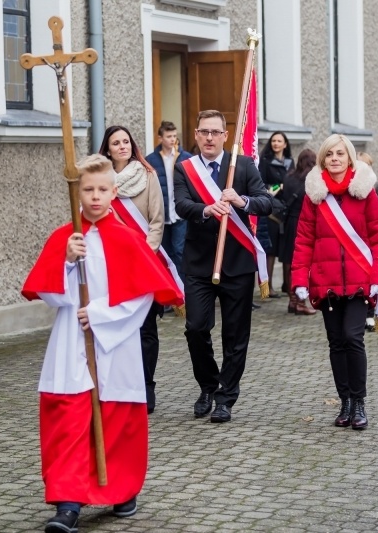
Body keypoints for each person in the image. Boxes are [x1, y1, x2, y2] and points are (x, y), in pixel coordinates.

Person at [21, 154, 182, 532]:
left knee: (116, 418)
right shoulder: (65, 239)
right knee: (69, 415)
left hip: (115, 343)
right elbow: (50, 294)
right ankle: (68, 502)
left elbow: (142, 297)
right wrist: (65, 262)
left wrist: (100, 316)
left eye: (101, 190)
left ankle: (121, 488)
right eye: (87, 190)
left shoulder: (128, 238)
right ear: (77, 193)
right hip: (71, 342)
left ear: (114, 192)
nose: (94, 197)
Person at [173, 109, 272, 423]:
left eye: (216, 132)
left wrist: (242, 201)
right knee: (196, 327)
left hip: (237, 263)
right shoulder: (184, 168)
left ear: (226, 136)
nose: (209, 138)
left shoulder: (241, 166)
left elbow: (266, 201)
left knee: (235, 335)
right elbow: (180, 204)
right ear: (196, 133)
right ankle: (208, 384)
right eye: (204, 132)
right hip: (199, 263)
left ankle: (226, 397)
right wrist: (206, 209)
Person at [291, 134, 378, 430]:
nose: (335, 158)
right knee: (336, 343)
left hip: (360, 281)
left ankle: (359, 401)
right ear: (323, 160)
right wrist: (299, 279)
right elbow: (303, 240)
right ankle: (345, 402)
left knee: (353, 338)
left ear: (350, 158)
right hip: (327, 282)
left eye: (340, 154)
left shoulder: (365, 192)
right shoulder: (315, 195)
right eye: (330, 154)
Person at [99, 125, 167, 414]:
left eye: (126, 141)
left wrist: (143, 253)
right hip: (111, 264)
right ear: (108, 149)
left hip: (142, 262)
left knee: (146, 328)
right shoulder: (101, 180)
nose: (123, 146)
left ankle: (146, 385)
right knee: (116, 327)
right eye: (116, 142)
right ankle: (118, 386)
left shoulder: (147, 175)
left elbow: (157, 220)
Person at [145, 121, 193, 276]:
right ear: (160, 138)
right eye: (168, 136)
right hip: (161, 215)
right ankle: (169, 288)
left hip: (179, 213)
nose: (172, 139)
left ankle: (182, 289)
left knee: (179, 251)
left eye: (174, 136)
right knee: (164, 253)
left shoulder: (186, 158)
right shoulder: (150, 160)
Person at [280, 149, 318, 315]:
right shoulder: (314, 179)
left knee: (288, 263)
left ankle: (292, 300)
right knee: (303, 263)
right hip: (305, 224)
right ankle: (301, 302)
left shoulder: (288, 177)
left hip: (289, 223)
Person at [357, 151, 378, 331]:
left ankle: (370, 313)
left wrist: (370, 220)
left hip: (370, 241)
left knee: (371, 278)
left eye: (367, 165)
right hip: (354, 242)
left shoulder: (374, 186)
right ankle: (359, 314)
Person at [258, 132, 294, 297]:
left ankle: (288, 285)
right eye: (273, 141)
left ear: (285, 144)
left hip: (287, 209)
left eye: (279, 141)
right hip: (271, 209)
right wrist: (277, 187)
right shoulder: (265, 162)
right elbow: (261, 184)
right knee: (270, 250)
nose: (276, 143)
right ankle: (268, 287)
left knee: (287, 249)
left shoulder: (290, 162)